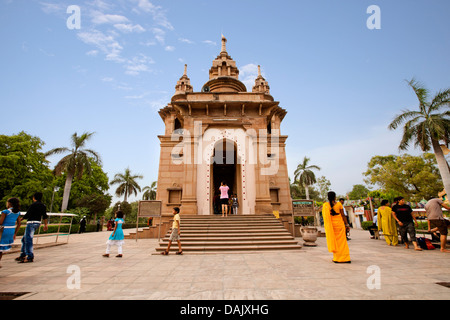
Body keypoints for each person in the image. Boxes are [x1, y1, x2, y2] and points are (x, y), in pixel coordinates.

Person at [15, 192, 48, 263]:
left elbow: (28, 214)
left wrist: (20, 219)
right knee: (24, 239)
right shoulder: (43, 205)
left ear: (34, 197)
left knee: (28, 240)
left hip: (31, 223)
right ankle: (22, 254)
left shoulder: (33, 205)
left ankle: (30, 256)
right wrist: (45, 224)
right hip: (37, 223)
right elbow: (44, 215)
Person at [322, 191, 351, 263]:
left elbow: (326, 217)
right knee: (342, 242)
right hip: (339, 224)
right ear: (335, 197)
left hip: (332, 226)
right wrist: (346, 224)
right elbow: (343, 215)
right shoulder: (339, 204)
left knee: (335, 242)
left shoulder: (326, 205)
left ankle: (337, 258)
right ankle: (345, 258)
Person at [0, 198, 21, 268]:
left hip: (3, 230)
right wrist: (15, 233)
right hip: (11, 231)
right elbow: (19, 224)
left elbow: (1, 222)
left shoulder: (5, 212)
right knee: (1, 249)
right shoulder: (17, 212)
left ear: (9, 203)